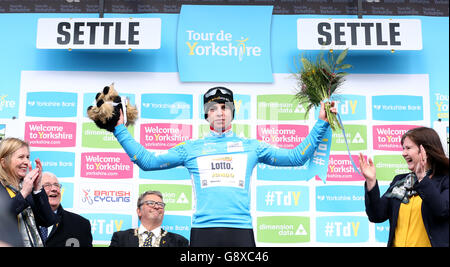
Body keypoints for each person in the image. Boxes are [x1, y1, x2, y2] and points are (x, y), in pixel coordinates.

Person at [113, 86, 335, 247]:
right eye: (213, 108)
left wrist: (322, 123)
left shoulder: (251, 147)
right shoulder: (190, 148)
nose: (220, 112)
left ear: (232, 112)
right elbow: (147, 162)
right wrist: (120, 129)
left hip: (240, 231)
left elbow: (297, 157)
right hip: (203, 232)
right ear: (206, 114)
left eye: (225, 106)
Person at [359, 127, 449, 247]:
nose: (403, 153)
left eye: (408, 148)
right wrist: (371, 182)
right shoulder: (400, 180)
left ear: (424, 150)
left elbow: (440, 209)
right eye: (403, 148)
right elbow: (376, 215)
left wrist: (422, 178)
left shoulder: (445, 180)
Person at [0, 137, 56, 247]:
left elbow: (48, 220)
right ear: (4, 162)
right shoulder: (21, 190)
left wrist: (37, 188)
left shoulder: (27, 187)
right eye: (21, 157)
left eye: (27, 157)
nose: (26, 161)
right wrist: (24, 193)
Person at [109, 190, 189, 247]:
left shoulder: (179, 242)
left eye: (160, 204)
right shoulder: (121, 238)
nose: (157, 206)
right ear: (139, 211)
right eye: (151, 203)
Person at [39, 172, 93, 247]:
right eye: (47, 185)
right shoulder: (24, 220)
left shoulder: (81, 224)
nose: (54, 189)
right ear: (36, 190)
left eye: (56, 185)